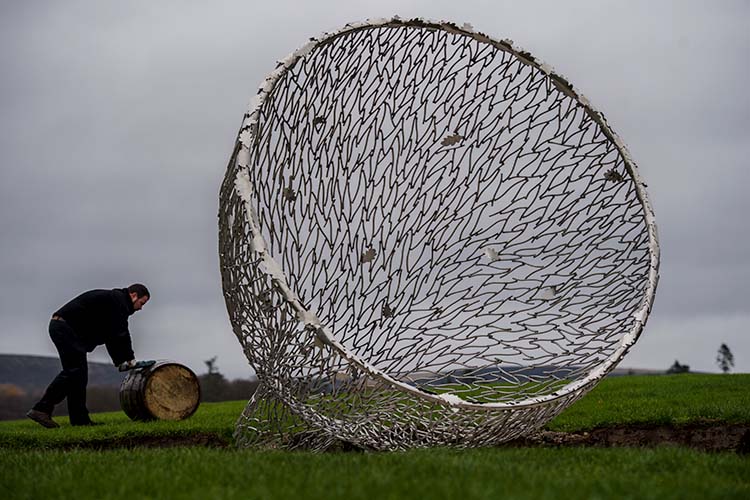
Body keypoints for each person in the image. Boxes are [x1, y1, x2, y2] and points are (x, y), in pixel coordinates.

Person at [26, 284, 155, 428]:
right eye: (141, 303)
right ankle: (41, 409)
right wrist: (131, 360)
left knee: (78, 377)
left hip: (66, 329)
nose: (140, 308)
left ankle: (80, 420)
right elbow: (121, 333)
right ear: (133, 295)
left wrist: (120, 362)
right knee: (74, 371)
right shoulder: (118, 301)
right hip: (65, 328)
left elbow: (111, 336)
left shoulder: (115, 302)